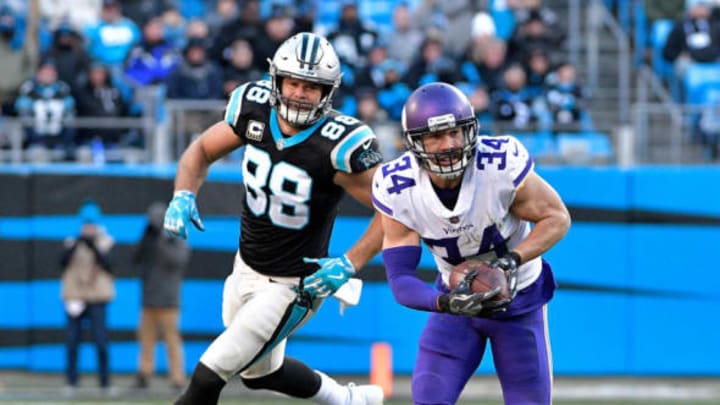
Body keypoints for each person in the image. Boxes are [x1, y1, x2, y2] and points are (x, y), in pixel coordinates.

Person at [163, 32, 385, 405]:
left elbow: (395, 208)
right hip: (246, 265)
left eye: (311, 87)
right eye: (293, 82)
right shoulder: (253, 108)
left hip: (294, 285)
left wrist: (350, 263)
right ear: (276, 80)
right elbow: (200, 150)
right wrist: (183, 194)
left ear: (327, 92)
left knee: (206, 377)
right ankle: (349, 401)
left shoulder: (338, 144)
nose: (299, 93)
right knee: (259, 373)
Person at [372, 82, 571, 405]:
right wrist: (446, 303)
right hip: (457, 301)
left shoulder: (499, 164)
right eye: (435, 136)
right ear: (414, 142)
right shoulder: (397, 186)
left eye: (455, 132)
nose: (448, 144)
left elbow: (557, 218)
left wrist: (510, 261)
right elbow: (401, 280)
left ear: (471, 131)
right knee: (429, 398)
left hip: (519, 300)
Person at [132, 202, 191, 391]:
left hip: (168, 300)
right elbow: (135, 258)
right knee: (145, 340)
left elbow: (178, 261)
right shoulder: (149, 237)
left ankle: (177, 377)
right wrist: (146, 237)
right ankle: (144, 374)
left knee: (172, 340)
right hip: (149, 298)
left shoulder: (176, 237)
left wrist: (162, 240)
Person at [59, 200, 115, 395]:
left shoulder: (106, 241)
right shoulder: (72, 241)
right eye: (86, 224)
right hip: (75, 297)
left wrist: (94, 248)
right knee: (72, 342)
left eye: (92, 224)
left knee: (101, 341)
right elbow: (62, 262)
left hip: (97, 298)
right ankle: (71, 381)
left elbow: (110, 266)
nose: (88, 228)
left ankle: (105, 382)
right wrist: (77, 244)